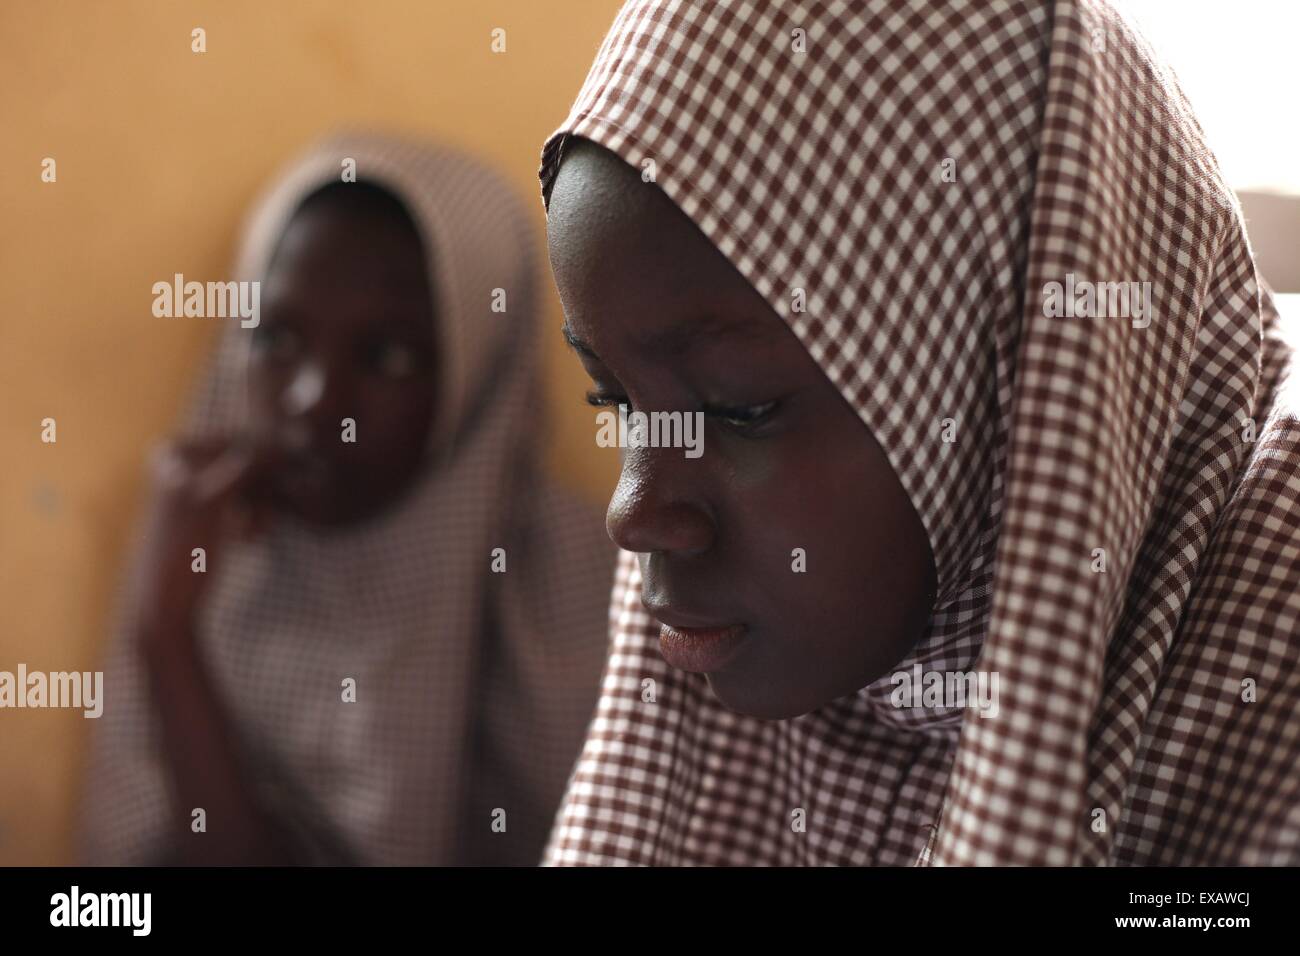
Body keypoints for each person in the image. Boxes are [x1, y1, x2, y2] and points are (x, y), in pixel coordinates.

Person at [538, 0, 1300, 865]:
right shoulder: (795, 618)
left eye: (739, 406)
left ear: (1026, 381)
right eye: (616, 401)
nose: (631, 515)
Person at [80, 132, 616, 866]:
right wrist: (166, 633)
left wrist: (167, 640)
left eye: (386, 356)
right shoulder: (207, 551)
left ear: (477, 378)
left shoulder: (584, 599)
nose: (314, 399)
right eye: (276, 338)